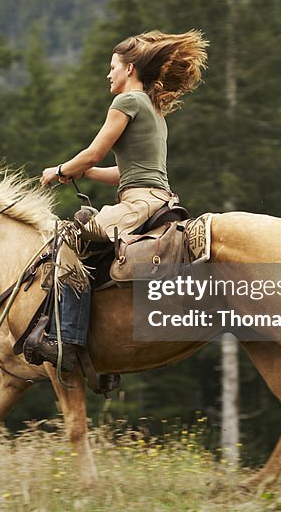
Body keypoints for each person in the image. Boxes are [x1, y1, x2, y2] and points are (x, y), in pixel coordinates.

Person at [35, 30, 208, 370]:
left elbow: (93, 151)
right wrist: (88, 173)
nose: (108, 74)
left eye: (112, 66)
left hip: (138, 205)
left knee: (66, 240)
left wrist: (58, 170)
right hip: (157, 200)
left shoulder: (127, 101)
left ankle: (67, 339)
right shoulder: (153, 109)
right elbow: (128, 171)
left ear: (129, 69)